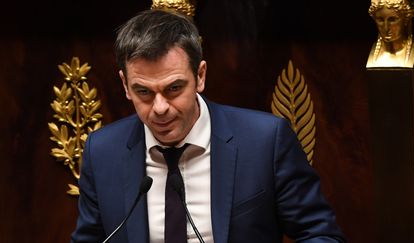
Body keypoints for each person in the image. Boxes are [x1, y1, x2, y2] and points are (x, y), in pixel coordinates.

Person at [71, 9, 345, 243]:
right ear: (125, 85)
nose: (160, 108)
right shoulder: (103, 151)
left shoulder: (265, 141)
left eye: (174, 88)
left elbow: (320, 234)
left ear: (200, 76)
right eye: (143, 92)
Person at [367, 0, 414, 67]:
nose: (386, 28)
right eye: (380, 20)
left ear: (406, 19)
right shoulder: (368, 54)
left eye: (392, 20)